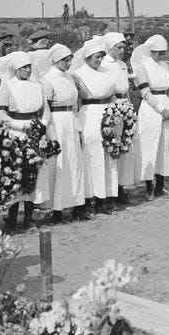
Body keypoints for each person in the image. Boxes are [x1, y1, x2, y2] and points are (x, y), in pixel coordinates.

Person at [0, 51, 51, 229]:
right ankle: (11, 219)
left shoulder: (37, 85)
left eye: (29, 67)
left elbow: (45, 110)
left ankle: (28, 218)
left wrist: (41, 125)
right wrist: (16, 126)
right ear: (16, 69)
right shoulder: (7, 85)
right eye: (24, 67)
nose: (28, 70)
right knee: (14, 173)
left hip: (33, 132)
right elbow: (0, 112)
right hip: (15, 132)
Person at [39, 44, 87, 223]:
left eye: (69, 60)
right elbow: (46, 108)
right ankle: (57, 209)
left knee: (74, 163)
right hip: (56, 122)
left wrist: (79, 126)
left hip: (71, 121)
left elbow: (75, 104)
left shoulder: (70, 77)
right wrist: (47, 130)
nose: (68, 63)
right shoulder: (48, 79)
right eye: (64, 60)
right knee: (60, 164)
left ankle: (76, 206)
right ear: (55, 60)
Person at [72, 38, 118, 213]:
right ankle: (88, 198)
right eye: (96, 57)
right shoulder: (78, 74)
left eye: (101, 57)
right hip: (89, 115)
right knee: (91, 156)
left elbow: (112, 94)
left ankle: (104, 198)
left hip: (106, 114)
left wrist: (115, 114)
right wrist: (77, 124)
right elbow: (76, 101)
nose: (99, 61)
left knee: (108, 154)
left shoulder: (106, 72)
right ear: (88, 57)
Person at [131, 35, 169, 199]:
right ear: (151, 51)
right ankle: (149, 186)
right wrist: (160, 109)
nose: (160, 56)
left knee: (165, 146)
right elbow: (145, 92)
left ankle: (161, 185)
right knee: (150, 145)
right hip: (151, 108)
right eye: (157, 52)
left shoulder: (167, 66)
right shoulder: (142, 66)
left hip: (166, 105)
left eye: (163, 53)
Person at [100, 31, 139, 204]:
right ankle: (110, 191)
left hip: (125, 106)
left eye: (123, 48)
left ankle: (121, 187)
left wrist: (129, 108)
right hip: (112, 107)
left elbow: (126, 89)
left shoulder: (123, 65)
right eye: (118, 48)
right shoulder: (104, 64)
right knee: (113, 146)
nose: (122, 51)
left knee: (125, 147)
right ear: (110, 48)